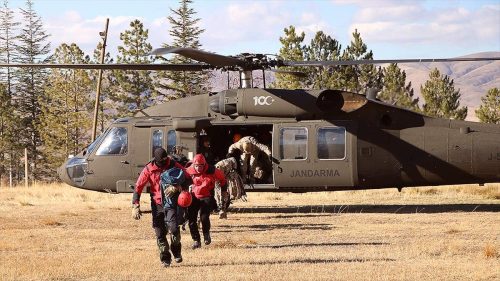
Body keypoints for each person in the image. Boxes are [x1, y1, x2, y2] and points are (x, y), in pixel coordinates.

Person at [131, 147, 187, 268]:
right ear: (156, 160)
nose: (164, 163)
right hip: (157, 204)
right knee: (160, 232)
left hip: (171, 202)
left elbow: (187, 177)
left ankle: (176, 251)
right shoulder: (149, 168)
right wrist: (135, 204)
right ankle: (165, 258)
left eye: (165, 160)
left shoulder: (173, 164)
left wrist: (177, 187)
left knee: (174, 229)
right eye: (162, 161)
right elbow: (138, 186)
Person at [185, 154, 227, 249]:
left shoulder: (211, 170)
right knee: (191, 220)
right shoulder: (188, 171)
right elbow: (181, 181)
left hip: (207, 196)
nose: (199, 168)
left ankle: (206, 234)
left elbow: (222, 179)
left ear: (204, 165)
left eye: (201, 166)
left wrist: (224, 191)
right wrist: (187, 187)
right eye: (196, 166)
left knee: (204, 217)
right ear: (193, 165)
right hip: (193, 197)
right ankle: (196, 240)